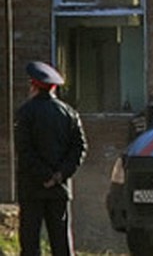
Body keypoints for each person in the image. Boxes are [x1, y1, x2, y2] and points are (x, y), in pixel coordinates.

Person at [15, 61, 87, 256]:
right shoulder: (69, 113)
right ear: (53, 87)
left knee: (30, 241)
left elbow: (24, 149)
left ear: (33, 85)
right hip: (59, 188)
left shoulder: (25, 113)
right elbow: (79, 148)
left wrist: (43, 175)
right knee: (61, 240)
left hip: (32, 187)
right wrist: (59, 174)